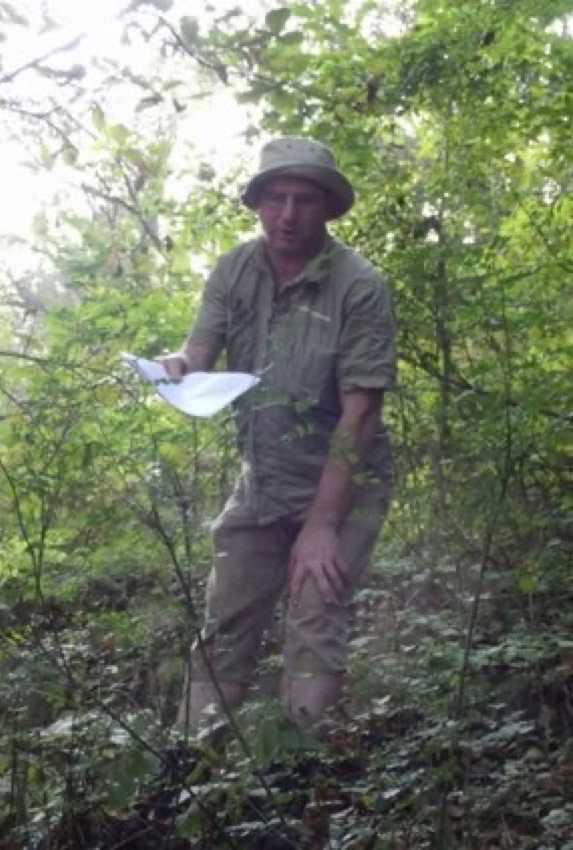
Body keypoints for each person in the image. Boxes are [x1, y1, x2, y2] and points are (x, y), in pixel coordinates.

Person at [159, 137, 396, 732]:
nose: (288, 215)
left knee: (315, 614)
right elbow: (200, 350)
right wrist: (181, 365)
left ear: (327, 207)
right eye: (276, 199)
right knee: (224, 626)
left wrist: (321, 525)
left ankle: (299, 767)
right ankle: (193, 764)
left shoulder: (359, 285)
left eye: (304, 200)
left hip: (344, 482)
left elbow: (361, 413)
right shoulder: (235, 269)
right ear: (258, 203)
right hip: (262, 480)